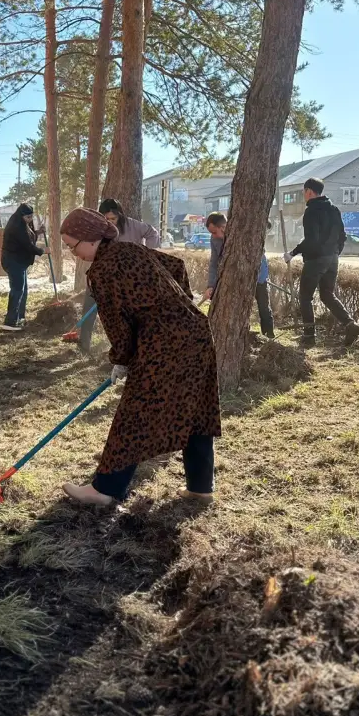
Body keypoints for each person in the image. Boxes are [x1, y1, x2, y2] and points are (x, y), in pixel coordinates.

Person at [59, 208, 220, 507]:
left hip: (165, 344)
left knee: (134, 415)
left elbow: (118, 325)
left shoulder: (102, 270)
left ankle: (105, 489)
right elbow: (177, 265)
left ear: (91, 238)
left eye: (73, 245)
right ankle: (200, 487)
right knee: (196, 409)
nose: (73, 253)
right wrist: (179, 302)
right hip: (195, 332)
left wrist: (121, 358)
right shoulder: (130, 249)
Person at [284, 178, 359, 347]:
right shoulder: (334, 209)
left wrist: (293, 253)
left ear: (309, 192)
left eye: (303, 192)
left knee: (305, 297)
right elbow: (343, 235)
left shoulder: (312, 211)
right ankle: (350, 325)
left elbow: (311, 239)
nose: (303, 195)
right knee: (327, 294)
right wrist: (334, 252)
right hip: (332, 258)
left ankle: (309, 337)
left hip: (316, 259)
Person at [77, 198, 161, 352]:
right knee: (90, 302)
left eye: (113, 218)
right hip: (102, 274)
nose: (110, 222)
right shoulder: (98, 229)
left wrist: (150, 254)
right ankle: (83, 344)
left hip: (127, 277)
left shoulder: (133, 225)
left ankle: (128, 348)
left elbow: (152, 233)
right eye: (106, 219)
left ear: (120, 216)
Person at [204, 212, 275, 339]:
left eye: (214, 232)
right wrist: (210, 285)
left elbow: (267, 225)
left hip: (258, 274)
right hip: (236, 279)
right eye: (211, 233)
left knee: (264, 307)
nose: (213, 236)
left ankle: (269, 335)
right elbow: (214, 263)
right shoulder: (215, 239)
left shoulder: (241, 228)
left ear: (223, 227)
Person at [1, 203, 48, 331]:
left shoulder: (21, 223)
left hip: (20, 262)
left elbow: (29, 236)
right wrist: (42, 251)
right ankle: (10, 322)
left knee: (23, 290)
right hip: (13, 261)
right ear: (21, 216)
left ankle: (19, 317)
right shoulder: (16, 226)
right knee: (17, 290)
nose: (30, 219)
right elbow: (27, 245)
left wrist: (38, 232)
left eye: (31, 216)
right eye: (28, 217)